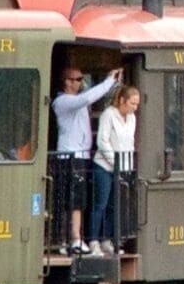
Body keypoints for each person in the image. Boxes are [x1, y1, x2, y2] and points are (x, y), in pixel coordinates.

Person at [50, 66, 116, 249]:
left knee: (78, 199)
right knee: (73, 200)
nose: (82, 83)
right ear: (67, 82)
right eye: (78, 79)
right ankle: (73, 239)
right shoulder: (62, 102)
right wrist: (109, 81)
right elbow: (87, 98)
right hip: (70, 156)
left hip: (81, 155)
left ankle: (72, 239)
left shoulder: (76, 101)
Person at [93, 81, 141, 252]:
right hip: (104, 166)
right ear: (122, 100)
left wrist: (127, 167)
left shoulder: (132, 118)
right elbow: (102, 141)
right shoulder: (109, 114)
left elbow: (130, 142)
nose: (135, 107)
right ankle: (93, 241)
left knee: (115, 205)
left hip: (122, 168)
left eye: (137, 104)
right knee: (101, 204)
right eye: (132, 103)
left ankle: (107, 239)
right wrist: (116, 162)